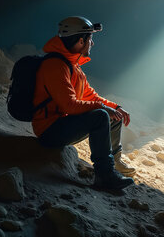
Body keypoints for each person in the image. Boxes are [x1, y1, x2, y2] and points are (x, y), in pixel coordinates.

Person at [32, 16, 136, 190]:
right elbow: (69, 106)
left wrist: (115, 107)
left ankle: (115, 162)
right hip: (49, 131)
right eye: (90, 39)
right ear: (81, 41)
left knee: (112, 114)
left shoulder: (73, 66)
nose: (92, 44)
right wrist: (103, 108)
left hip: (62, 124)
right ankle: (105, 176)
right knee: (100, 116)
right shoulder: (55, 66)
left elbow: (90, 96)